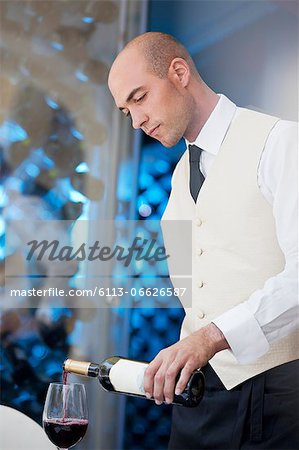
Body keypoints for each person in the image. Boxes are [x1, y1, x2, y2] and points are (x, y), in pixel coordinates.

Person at [108, 32, 299, 449]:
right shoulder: (177, 179)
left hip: (278, 396)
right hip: (199, 401)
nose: (137, 120)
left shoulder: (280, 142)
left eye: (139, 98)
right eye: (127, 111)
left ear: (179, 72)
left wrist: (209, 337)